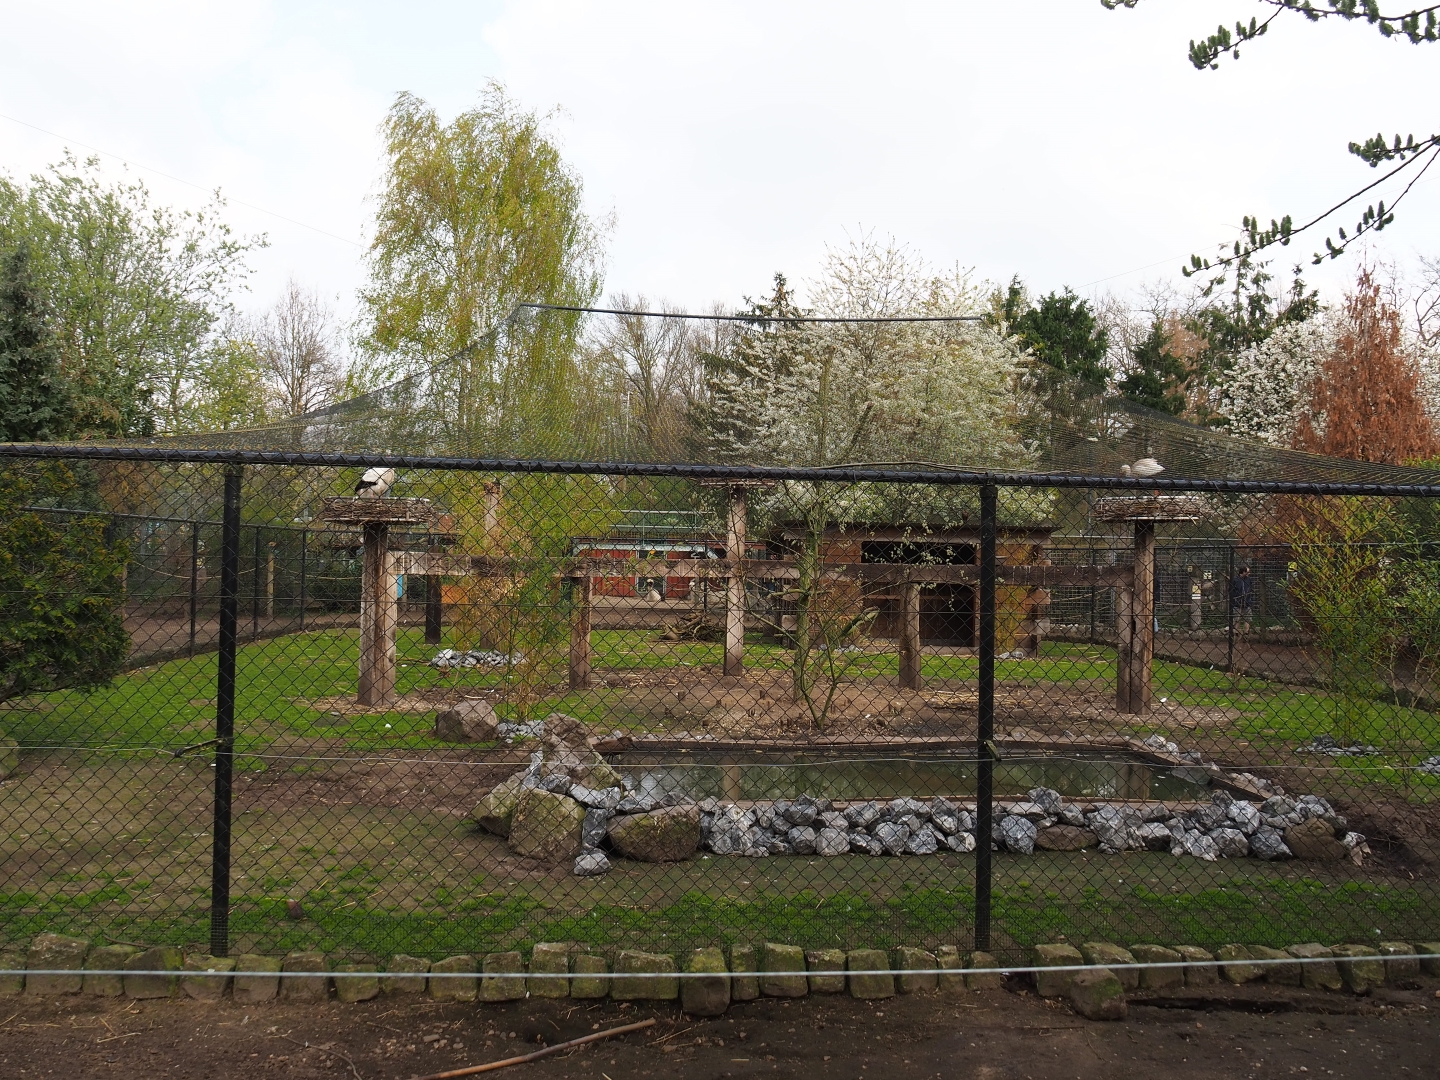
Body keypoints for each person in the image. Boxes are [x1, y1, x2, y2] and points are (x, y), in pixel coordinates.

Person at [1230, 565, 1255, 634]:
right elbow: (1231, 591)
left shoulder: (1249, 579)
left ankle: (1246, 632)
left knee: (1248, 619)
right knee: (1237, 619)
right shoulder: (1235, 580)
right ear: (1243, 572)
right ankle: (1237, 633)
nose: (1249, 573)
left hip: (1247, 602)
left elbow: (1251, 589)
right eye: (1247, 572)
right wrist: (1236, 597)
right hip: (1237, 603)